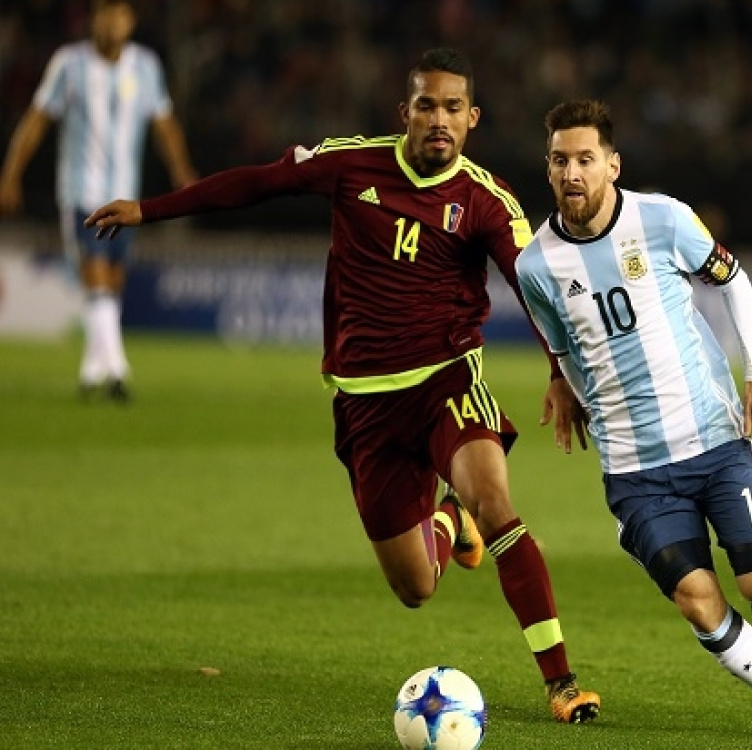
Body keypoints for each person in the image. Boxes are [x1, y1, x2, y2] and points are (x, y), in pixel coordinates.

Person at [84, 48, 600, 724]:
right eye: (426, 106)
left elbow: (533, 291)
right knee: (416, 587)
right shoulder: (352, 163)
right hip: (364, 403)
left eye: (452, 108)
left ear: (472, 118)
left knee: (498, 507)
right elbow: (257, 183)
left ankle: (562, 682)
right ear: (405, 111)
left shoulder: (486, 200)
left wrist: (560, 372)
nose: (438, 119)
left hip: (447, 382)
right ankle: (451, 518)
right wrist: (150, 210)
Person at [515, 99, 752, 742]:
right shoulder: (535, 265)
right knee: (697, 599)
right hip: (635, 470)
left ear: (612, 164)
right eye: (559, 160)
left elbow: (733, 281)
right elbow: (562, 345)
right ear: (547, 168)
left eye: (584, 159)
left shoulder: (663, 219)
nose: (571, 172)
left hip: (714, 438)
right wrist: (562, 384)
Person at [0, 0, 198, 402]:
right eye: (106, 14)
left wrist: (182, 171)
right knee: (95, 275)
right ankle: (117, 371)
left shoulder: (145, 67)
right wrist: (11, 175)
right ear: (94, 20)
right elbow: (37, 120)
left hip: (126, 197)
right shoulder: (69, 64)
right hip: (80, 192)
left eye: (120, 14)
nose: (112, 22)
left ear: (131, 21)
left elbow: (164, 125)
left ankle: (92, 370)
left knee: (112, 282)